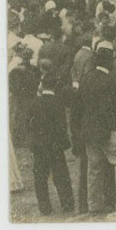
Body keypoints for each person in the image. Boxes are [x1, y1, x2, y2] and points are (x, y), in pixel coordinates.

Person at [75, 41, 116, 213]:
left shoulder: (86, 79)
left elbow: (77, 107)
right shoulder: (110, 81)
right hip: (105, 130)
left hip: (88, 130)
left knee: (94, 168)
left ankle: (93, 206)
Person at [28, 74, 75, 215]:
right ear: (55, 86)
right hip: (55, 146)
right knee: (61, 176)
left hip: (39, 145)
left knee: (40, 177)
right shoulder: (58, 103)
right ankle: (67, 205)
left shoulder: (34, 102)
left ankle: (45, 208)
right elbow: (61, 126)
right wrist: (64, 144)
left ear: (42, 86)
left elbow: (29, 125)